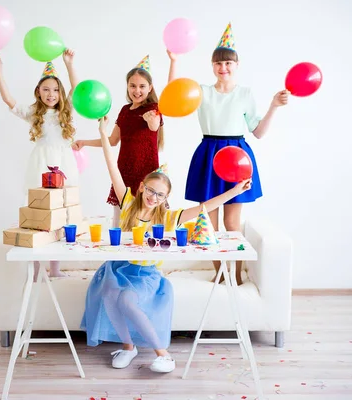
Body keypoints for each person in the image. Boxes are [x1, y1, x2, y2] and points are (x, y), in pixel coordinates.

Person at [80, 115, 251, 373]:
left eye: (160, 194)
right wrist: (104, 136)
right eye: (150, 190)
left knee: (126, 300)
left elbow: (204, 208)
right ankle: (129, 346)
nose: (153, 197)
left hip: (144, 274)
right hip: (116, 268)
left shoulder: (169, 218)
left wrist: (235, 192)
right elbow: (112, 168)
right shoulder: (127, 203)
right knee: (109, 295)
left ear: (164, 199)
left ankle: (164, 354)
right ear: (140, 187)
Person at [167, 23, 289, 284]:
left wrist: (274, 106)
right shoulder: (203, 91)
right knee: (207, 226)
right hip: (209, 155)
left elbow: (258, 132)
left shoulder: (245, 93)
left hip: (236, 157)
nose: (223, 68)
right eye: (218, 63)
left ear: (237, 64)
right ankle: (220, 275)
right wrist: (174, 61)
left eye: (228, 63)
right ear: (212, 66)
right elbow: (174, 94)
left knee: (232, 224)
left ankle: (235, 276)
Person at [0, 49, 79, 278]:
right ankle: (36, 267)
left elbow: (76, 89)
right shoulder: (34, 113)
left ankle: (55, 268)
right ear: (38, 92)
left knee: (60, 218)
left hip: (63, 165)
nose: (51, 94)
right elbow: (9, 100)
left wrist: (69, 64)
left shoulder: (66, 110)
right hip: (41, 165)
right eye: (46, 89)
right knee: (40, 217)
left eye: (56, 90)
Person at [72, 56, 163, 227]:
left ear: (150, 88)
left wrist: (151, 119)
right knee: (121, 217)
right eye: (132, 86)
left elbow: (154, 127)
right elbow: (112, 140)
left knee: (145, 216)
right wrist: (85, 142)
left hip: (146, 171)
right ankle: (118, 249)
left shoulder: (154, 109)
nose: (137, 90)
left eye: (142, 86)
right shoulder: (125, 111)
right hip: (124, 171)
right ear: (127, 87)